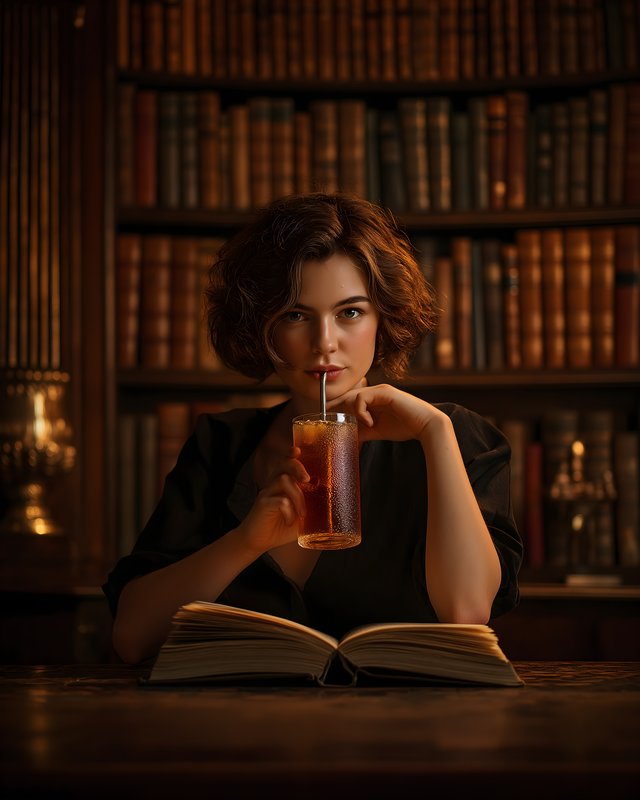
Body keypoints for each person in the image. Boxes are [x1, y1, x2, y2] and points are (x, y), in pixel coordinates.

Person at [104, 193, 522, 665]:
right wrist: (247, 541)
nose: (324, 343)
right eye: (296, 315)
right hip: (244, 728)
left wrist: (434, 432)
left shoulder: (455, 436)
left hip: (409, 728)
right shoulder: (220, 445)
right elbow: (133, 639)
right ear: (261, 327)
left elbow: (467, 614)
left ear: (383, 318)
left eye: (350, 312)